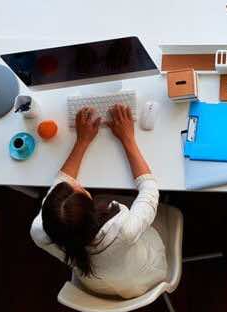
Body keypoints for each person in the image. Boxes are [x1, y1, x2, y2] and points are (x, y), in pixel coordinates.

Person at [30, 105, 165, 299]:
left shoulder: (40, 231)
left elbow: (60, 183)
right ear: (91, 208)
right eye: (79, 190)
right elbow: (150, 189)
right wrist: (128, 138)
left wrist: (82, 141)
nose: (76, 184)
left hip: (94, 285)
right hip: (139, 279)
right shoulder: (123, 229)